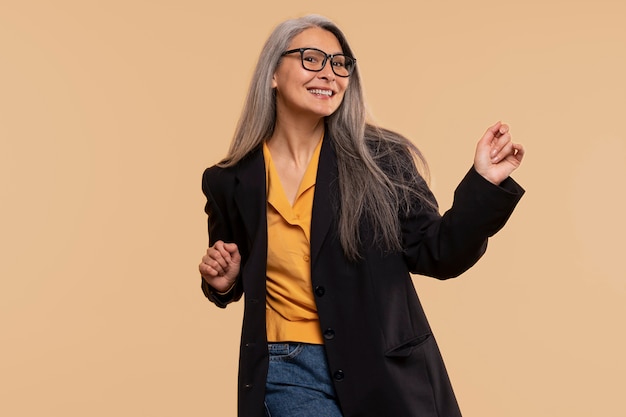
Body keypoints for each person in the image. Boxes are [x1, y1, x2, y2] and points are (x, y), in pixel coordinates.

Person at [198, 14, 525, 417]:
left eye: (340, 64)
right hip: (286, 371)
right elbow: (230, 268)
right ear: (273, 75)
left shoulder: (380, 161)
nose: (329, 74)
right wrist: (222, 282)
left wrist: (484, 184)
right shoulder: (229, 181)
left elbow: (438, 252)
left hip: (385, 371)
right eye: (312, 58)